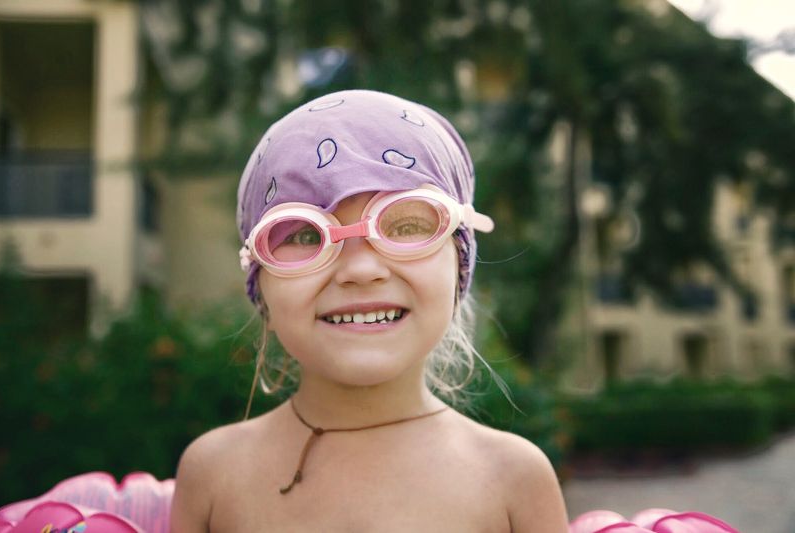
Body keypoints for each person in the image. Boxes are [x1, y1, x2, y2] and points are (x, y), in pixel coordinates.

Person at [170, 89, 569, 532]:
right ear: (261, 285)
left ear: (460, 264)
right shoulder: (213, 476)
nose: (361, 270)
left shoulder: (514, 480)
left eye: (406, 225)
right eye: (305, 235)